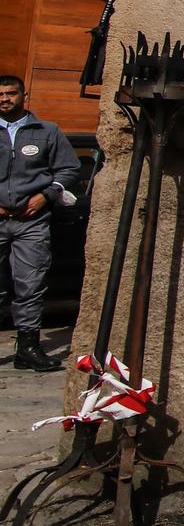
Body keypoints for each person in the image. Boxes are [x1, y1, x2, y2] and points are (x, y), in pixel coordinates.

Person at [0, 76, 79, 372]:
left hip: (31, 223)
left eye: (11, 93)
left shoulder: (47, 131)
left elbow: (69, 168)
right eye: (0, 94)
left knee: (30, 285)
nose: (5, 99)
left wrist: (46, 195)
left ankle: (28, 348)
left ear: (24, 95)